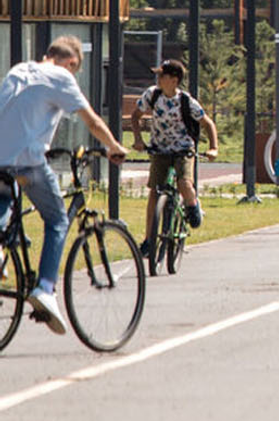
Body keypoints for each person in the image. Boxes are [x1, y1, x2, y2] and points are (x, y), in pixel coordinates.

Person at [0, 36, 126, 333]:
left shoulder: (19, 70)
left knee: (5, 200)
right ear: (71, 62)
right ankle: (45, 289)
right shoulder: (61, 76)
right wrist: (113, 146)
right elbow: (92, 122)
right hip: (27, 161)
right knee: (57, 220)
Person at [130, 57, 218, 258]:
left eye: (162, 75)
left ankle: (193, 205)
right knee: (154, 192)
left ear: (174, 80)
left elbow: (208, 124)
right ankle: (149, 240)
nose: (158, 78)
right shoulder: (152, 95)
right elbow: (136, 116)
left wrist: (213, 148)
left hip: (183, 149)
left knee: (184, 183)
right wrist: (138, 139)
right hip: (159, 149)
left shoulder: (186, 101)